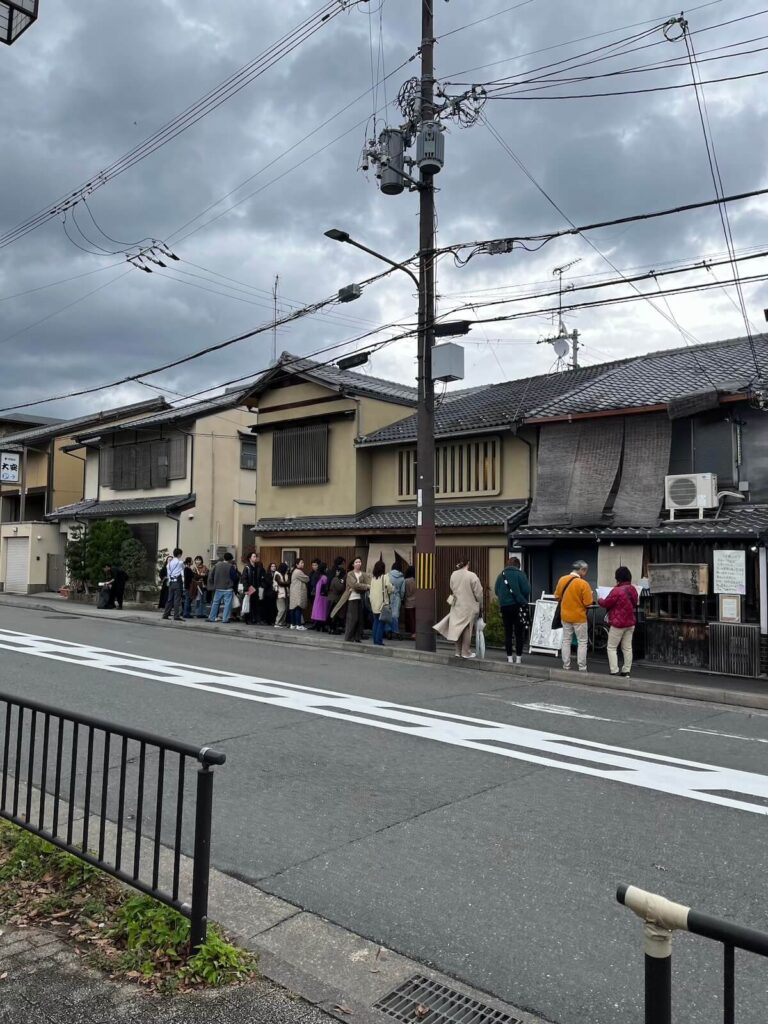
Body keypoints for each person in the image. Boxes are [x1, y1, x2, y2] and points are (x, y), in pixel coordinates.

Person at [434, 558, 484, 659]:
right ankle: (466, 652)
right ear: (468, 564)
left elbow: (452, 588)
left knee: (457, 628)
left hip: (457, 605)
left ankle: (457, 651)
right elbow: (479, 593)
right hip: (469, 606)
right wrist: (480, 605)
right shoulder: (471, 575)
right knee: (466, 628)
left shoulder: (454, 574)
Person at [554, 560, 594, 672]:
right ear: (582, 570)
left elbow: (556, 596)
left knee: (566, 640)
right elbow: (588, 603)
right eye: (585, 571)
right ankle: (582, 667)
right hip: (579, 617)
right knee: (582, 642)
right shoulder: (583, 584)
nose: (586, 573)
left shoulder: (562, 579)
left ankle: (566, 666)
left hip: (565, 616)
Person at [598, 566, 638, 678]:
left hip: (618, 624)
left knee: (611, 647)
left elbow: (606, 603)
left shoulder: (616, 590)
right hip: (630, 623)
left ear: (618, 578)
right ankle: (626, 671)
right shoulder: (633, 589)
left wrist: (599, 598)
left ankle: (614, 670)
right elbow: (635, 603)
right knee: (627, 648)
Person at [494, 555, 531, 664]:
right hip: (518, 606)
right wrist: (520, 596)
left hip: (505, 607)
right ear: (518, 565)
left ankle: (509, 657)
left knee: (508, 632)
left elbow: (496, 591)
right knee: (519, 633)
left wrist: (504, 598)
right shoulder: (520, 574)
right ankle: (518, 658)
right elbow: (527, 589)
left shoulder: (501, 575)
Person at [332, 557, 370, 642]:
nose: (358, 563)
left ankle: (357, 637)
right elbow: (354, 585)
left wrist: (362, 587)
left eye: (359, 562)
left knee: (360, 619)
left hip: (360, 598)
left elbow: (368, 584)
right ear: (353, 564)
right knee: (353, 618)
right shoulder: (350, 574)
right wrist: (364, 587)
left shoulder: (363, 574)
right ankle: (348, 637)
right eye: (356, 562)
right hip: (352, 598)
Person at [369, 560, 394, 646]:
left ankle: (375, 640)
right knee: (381, 622)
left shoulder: (373, 578)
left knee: (376, 621)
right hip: (382, 603)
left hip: (374, 603)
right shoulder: (385, 577)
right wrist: (392, 588)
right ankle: (378, 641)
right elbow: (389, 588)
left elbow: (371, 590)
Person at [207, 552, 237, 624]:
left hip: (218, 587)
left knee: (215, 603)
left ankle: (212, 617)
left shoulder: (217, 565)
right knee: (227, 604)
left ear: (224, 558)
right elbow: (235, 577)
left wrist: (213, 584)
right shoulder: (230, 566)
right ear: (230, 559)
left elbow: (211, 575)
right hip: (228, 588)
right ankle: (225, 619)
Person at [241, 553, 266, 625]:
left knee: (256, 604)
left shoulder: (258, 567)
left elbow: (261, 578)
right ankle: (248, 619)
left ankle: (255, 619)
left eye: (256, 556)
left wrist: (261, 585)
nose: (255, 558)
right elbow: (244, 579)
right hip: (250, 588)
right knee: (248, 604)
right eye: (254, 556)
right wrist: (246, 589)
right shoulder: (247, 567)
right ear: (250, 558)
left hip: (256, 588)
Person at [161, 548, 185, 621]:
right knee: (177, 600)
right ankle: (176, 616)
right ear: (179, 554)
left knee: (169, 599)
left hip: (171, 582)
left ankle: (165, 614)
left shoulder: (169, 563)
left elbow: (168, 573)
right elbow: (182, 573)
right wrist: (183, 583)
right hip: (177, 582)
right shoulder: (180, 562)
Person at [327, 558, 347, 634]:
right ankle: (332, 629)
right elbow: (340, 588)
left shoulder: (333, 578)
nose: (337, 572)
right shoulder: (336, 579)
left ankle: (331, 628)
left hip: (332, 598)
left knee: (332, 613)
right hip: (335, 599)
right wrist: (342, 583)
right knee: (334, 614)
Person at [288, 558, 309, 629]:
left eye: (303, 562)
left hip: (294, 592)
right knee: (298, 608)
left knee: (293, 608)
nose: (303, 564)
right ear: (297, 564)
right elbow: (307, 579)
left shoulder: (294, 571)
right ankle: (298, 625)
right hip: (297, 593)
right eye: (301, 563)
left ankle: (293, 624)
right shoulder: (298, 572)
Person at [386, 562, 406, 640]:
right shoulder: (402, 578)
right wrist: (401, 598)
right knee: (395, 615)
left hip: (388, 596)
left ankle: (388, 631)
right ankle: (396, 631)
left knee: (388, 614)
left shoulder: (388, 575)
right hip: (397, 597)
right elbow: (403, 591)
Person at [310, 561, 330, 630]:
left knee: (317, 610)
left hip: (317, 595)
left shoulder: (317, 576)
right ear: (324, 569)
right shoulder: (324, 577)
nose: (327, 569)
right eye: (326, 568)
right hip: (323, 596)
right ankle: (322, 626)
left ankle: (317, 625)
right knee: (322, 610)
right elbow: (326, 586)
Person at [273, 562, 290, 627]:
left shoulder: (285, 574)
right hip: (279, 594)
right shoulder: (277, 574)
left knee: (285, 609)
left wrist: (286, 582)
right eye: (286, 568)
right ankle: (277, 622)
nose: (287, 569)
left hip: (286, 594)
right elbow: (280, 583)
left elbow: (287, 582)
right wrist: (287, 583)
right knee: (281, 609)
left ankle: (282, 622)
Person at [403, 566, 416, 639]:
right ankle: (416, 632)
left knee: (411, 619)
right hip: (417, 601)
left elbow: (404, 591)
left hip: (408, 601)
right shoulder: (417, 580)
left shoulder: (406, 581)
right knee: (415, 618)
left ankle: (413, 633)